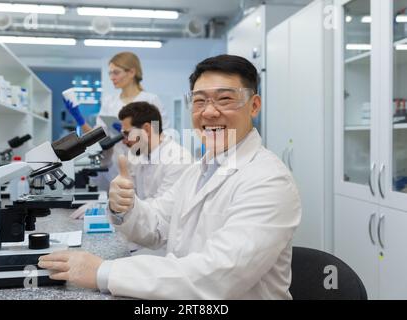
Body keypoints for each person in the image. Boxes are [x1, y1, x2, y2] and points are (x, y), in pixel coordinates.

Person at [39, 55, 302, 299]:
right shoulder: (199, 170)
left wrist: (103, 272)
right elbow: (156, 226)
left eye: (224, 99)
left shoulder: (268, 180)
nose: (209, 112)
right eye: (199, 101)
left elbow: (220, 274)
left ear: (254, 106)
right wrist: (124, 208)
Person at [71, 101, 192, 256]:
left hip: (164, 247)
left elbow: (160, 213)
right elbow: (131, 198)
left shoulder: (178, 160)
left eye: (127, 133)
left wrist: (109, 211)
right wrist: (105, 205)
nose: (124, 140)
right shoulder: (140, 156)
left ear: (147, 129)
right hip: (142, 235)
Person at [63, 52, 170, 189]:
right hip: (115, 166)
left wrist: (133, 132)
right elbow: (97, 135)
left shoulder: (150, 100)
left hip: (144, 164)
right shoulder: (109, 102)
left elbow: (161, 135)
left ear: (131, 72)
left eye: (116, 72)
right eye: (110, 73)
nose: (112, 77)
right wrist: (79, 119)